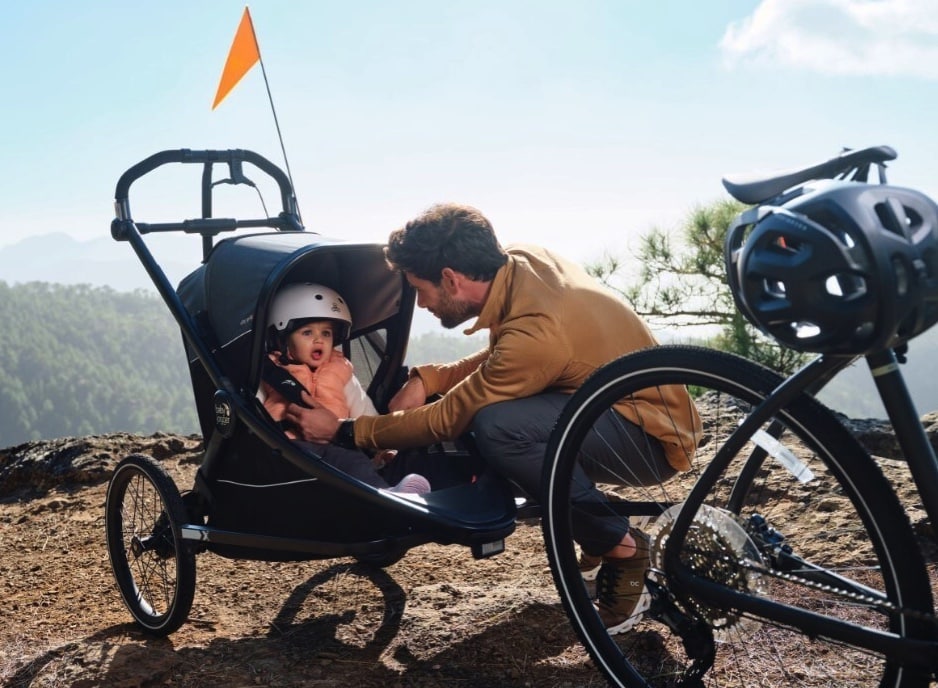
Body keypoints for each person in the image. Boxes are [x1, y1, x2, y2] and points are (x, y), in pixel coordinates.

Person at [281, 205, 701, 633]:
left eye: (420, 289)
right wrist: (430, 377)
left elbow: (452, 416)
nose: (422, 303)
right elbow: (506, 357)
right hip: (615, 412)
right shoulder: (521, 262)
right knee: (502, 424)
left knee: (498, 430)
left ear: (450, 278)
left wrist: (346, 432)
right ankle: (593, 519)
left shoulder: (536, 332)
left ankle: (622, 551)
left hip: (646, 440)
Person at [262, 282, 430, 495]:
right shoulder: (272, 372)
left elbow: (363, 411)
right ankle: (389, 497)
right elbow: (255, 408)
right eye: (307, 332)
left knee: (356, 460)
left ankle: (392, 496)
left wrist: (383, 448)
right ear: (283, 338)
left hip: (336, 444)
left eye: (326, 333)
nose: (318, 339)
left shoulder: (341, 372)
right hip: (291, 448)